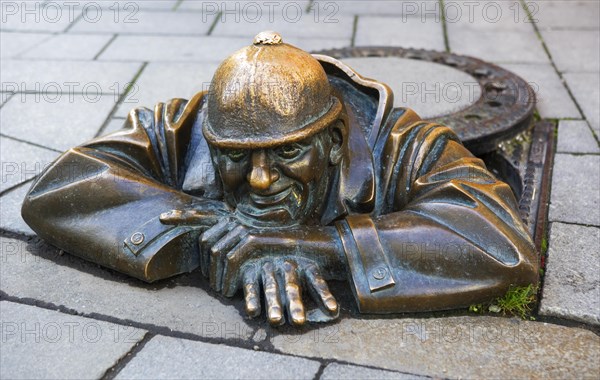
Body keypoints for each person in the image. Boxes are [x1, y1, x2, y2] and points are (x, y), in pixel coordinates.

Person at [22, 31, 538, 326]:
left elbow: (500, 240)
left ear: (334, 141)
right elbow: (62, 184)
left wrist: (317, 246)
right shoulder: (191, 124)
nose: (262, 180)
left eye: (289, 151)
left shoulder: (403, 144)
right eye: (236, 157)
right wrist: (209, 233)